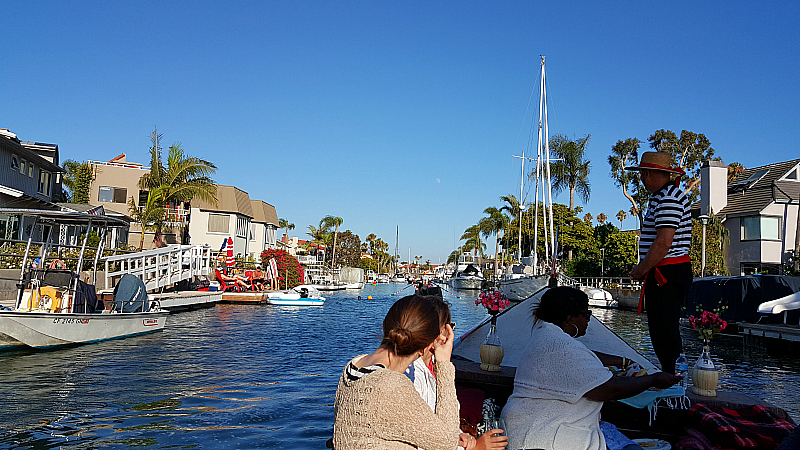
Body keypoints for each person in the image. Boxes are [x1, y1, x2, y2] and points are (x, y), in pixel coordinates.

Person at [501, 286, 680, 450]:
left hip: (527, 430)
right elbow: (609, 390)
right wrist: (653, 379)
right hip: (542, 437)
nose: (588, 320)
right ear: (570, 319)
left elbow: (583, 355)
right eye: (587, 314)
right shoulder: (559, 345)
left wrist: (622, 361)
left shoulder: (548, 338)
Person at [333, 295, 461, 450]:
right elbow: (447, 441)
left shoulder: (354, 365)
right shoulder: (392, 386)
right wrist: (444, 363)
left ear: (384, 325)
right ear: (427, 347)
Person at [405, 296, 507, 450]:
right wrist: (476, 447)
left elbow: (443, 421)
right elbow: (426, 438)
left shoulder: (431, 366)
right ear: (442, 332)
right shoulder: (413, 375)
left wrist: (459, 435)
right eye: (450, 327)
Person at [626, 151, 693, 373]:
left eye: (644, 174)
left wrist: (640, 270)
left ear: (648, 173)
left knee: (664, 327)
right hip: (667, 271)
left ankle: (671, 376)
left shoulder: (668, 198)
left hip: (667, 272)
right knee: (662, 327)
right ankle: (670, 373)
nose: (643, 180)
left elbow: (663, 242)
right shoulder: (664, 197)